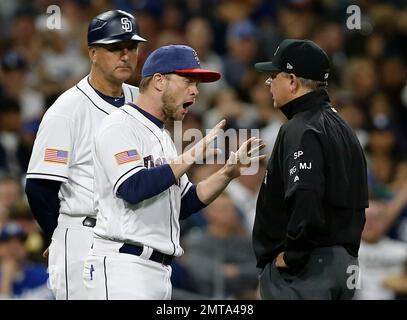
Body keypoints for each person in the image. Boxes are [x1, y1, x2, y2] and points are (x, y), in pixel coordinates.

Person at [83, 44, 265, 300]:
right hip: (122, 266)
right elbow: (132, 188)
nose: (195, 91)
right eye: (188, 81)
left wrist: (226, 174)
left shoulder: (163, 137)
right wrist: (191, 155)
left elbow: (183, 202)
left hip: (155, 269)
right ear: (159, 81)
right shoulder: (120, 125)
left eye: (198, 84)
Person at [24, 10, 146, 300]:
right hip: (84, 234)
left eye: (131, 47)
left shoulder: (140, 101)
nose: (126, 56)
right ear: (92, 52)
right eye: (115, 48)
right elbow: (40, 185)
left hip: (130, 235)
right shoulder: (67, 110)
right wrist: (58, 234)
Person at [252, 39, 369, 300]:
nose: (268, 83)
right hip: (342, 265)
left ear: (292, 81)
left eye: (273, 76)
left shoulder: (301, 128)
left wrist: (293, 254)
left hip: (307, 271)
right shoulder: (343, 128)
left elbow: (306, 196)